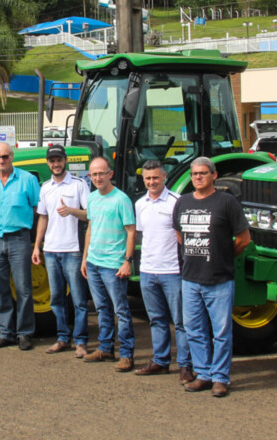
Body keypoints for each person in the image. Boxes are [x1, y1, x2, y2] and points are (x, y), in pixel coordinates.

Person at [172, 157, 250, 398]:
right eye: (195, 174)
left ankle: (220, 378)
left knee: (221, 332)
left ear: (214, 176)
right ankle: (203, 374)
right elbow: (179, 234)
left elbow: (244, 239)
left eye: (203, 173)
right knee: (194, 331)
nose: (198, 177)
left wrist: (223, 256)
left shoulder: (227, 202)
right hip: (190, 279)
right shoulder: (183, 202)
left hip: (219, 279)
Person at [133, 160, 194, 383]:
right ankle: (160, 360)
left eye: (155, 178)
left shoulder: (177, 202)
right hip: (148, 271)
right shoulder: (140, 204)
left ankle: (186, 366)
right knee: (156, 319)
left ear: (164, 177)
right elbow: (143, 235)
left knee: (181, 321)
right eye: (148, 179)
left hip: (172, 271)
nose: (152, 182)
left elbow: (183, 238)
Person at [0, 141, 40, 351]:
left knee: (23, 289)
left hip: (19, 239)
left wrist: (37, 241)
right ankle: (6, 333)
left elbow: (38, 208)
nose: (1, 161)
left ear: (12, 156)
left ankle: (24, 333)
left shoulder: (27, 180)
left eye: (5, 157)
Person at [31, 145, 90, 357]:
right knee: (56, 298)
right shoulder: (45, 187)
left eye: (59, 160)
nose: (56, 164)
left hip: (73, 250)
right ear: (48, 163)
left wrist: (71, 211)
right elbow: (43, 218)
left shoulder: (79, 185)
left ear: (65, 161)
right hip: (51, 250)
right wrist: (37, 246)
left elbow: (89, 214)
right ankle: (63, 338)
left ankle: (81, 341)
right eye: (52, 160)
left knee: (78, 299)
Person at [80, 156, 136, 372]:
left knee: (120, 310)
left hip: (113, 264)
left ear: (110, 174)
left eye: (101, 173)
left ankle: (127, 354)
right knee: (102, 308)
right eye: (93, 174)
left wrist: (127, 261)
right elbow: (91, 228)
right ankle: (105, 348)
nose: (97, 178)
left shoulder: (121, 199)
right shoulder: (92, 198)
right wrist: (85, 258)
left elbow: (131, 232)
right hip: (94, 262)